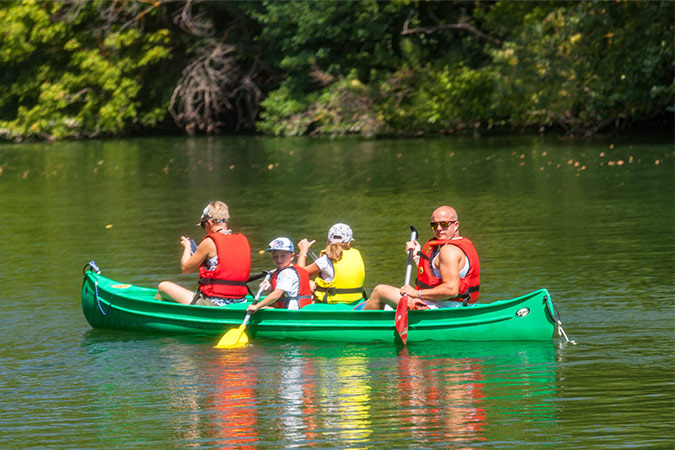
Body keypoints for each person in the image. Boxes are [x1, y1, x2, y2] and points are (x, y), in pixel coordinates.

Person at [363, 205, 480, 310]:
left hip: (440, 307)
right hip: (459, 304)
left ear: (456, 225)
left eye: (444, 224)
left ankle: (361, 328)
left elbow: (451, 290)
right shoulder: (456, 245)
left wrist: (416, 293)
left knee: (380, 291)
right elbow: (435, 275)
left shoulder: (448, 251)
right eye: (434, 225)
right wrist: (417, 255)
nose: (438, 228)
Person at [155, 201, 251, 306]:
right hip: (240, 301)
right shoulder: (242, 240)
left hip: (214, 303)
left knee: (163, 287)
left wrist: (187, 247)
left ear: (209, 223)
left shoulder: (210, 242)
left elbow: (186, 269)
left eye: (203, 225)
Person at [296, 223, 366, 304]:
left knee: (308, 283)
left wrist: (303, 250)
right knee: (312, 284)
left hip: (333, 302)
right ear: (349, 243)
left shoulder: (325, 260)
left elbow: (298, 275)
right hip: (355, 300)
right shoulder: (356, 254)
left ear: (328, 241)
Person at [246, 237, 312, 313]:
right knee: (265, 307)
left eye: (283, 256)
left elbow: (277, 294)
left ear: (292, 256)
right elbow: (287, 292)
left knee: (261, 308)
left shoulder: (286, 273)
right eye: (275, 256)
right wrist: (270, 288)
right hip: (297, 310)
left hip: (292, 314)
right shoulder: (291, 270)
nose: (278, 260)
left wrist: (257, 306)